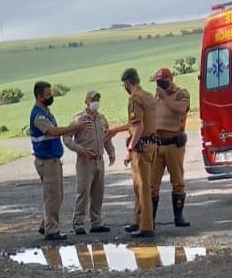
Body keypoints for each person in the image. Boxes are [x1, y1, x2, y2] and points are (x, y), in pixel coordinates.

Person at [31, 80, 88, 241]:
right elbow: (53, 131)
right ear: (39, 96)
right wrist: (74, 128)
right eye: (48, 95)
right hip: (47, 161)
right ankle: (51, 230)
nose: (51, 97)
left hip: (53, 160)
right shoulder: (39, 115)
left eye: (51, 94)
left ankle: (46, 224)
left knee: (57, 195)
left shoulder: (46, 112)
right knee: (53, 196)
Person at [62, 89, 116, 234]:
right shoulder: (79, 119)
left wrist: (111, 151)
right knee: (83, 193)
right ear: (86, 102)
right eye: (92, 100)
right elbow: (66, 137)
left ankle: (96, 222)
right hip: (85, 161)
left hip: (99, 160)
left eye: (97, 99)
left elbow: (107, 137)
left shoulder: (102, 119)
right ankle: (78, 223)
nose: (95, 102)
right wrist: (78, 149)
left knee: (98, 192)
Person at [150, 67, 192, 227]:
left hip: (174, 143)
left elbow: (182, 108)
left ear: (171, 80)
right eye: (158, 82)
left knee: (177, 181)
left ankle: (179, 216)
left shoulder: (181, 93)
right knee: (152, 184)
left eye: (163, 82)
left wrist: (165, 98)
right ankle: (150, 219)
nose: (160, 85)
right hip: (157, 144)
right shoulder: (157, 96)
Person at [119, 67, 158, 238]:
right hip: (152, 144)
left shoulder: (135, 99)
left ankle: (146, 226)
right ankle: (138, 220)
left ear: (127, 83)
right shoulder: (148, 96)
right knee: (139, 187)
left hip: (140, 148)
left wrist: (129, 149)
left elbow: (138, 126)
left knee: (143, 189)